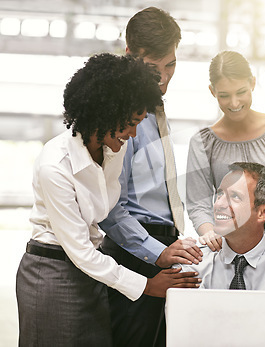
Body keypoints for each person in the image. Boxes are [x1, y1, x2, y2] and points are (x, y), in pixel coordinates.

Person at [15, 53, 200, 346]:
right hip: (52, 273)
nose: (135, 133)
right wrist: (149, 286)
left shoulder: (114, 150)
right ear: (103, 114)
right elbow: (80, 252)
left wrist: (159, 252)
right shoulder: (55, 165)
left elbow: (112, 211)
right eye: (130, 123)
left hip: (90, 274)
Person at [98, 7, 202, 347]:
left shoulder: (155, 108)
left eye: (170, 65)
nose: (162, 78)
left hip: (163, 246)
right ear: (129, 55)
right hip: (137, 251)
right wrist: (156, 252)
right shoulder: (120, 113)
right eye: (152, 68)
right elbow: (111, 208)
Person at [178, 162, 265, 347]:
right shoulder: (193, 260)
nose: (219, 204)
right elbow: (184, 337)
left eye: (235, 197)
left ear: (264, 212)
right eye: (220, 194)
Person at [186, 50, 265, 251]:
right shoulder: (202, 142)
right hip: (230, 248)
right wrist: (210, 233)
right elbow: (197, 204)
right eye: (224, 96)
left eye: (241, 92)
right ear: (212, 91)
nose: (234, 103)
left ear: (253, 82)